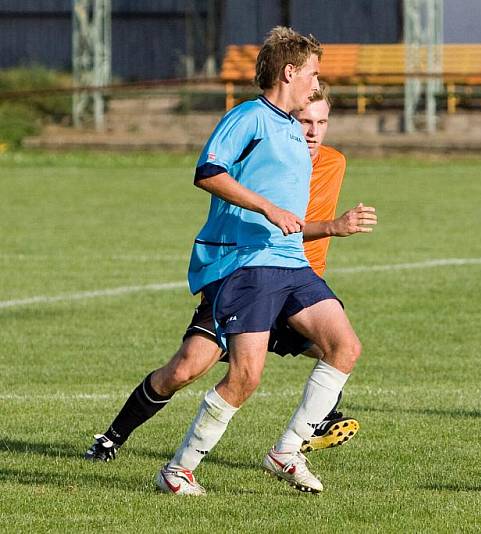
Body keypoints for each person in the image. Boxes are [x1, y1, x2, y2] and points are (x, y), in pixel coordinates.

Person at [84, 83, 375, 466]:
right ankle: (112, 438)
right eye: (305, 120)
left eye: (321, 122)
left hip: (294, 283)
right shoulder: (266, 151)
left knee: (337, 349)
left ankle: (307, 430)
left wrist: (329, 229)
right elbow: (285, 222)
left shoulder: (331, 163)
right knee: (187, 367)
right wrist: (334, 227)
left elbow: (299, 225)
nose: (312, 131)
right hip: (245, 275)